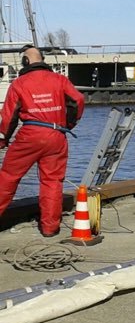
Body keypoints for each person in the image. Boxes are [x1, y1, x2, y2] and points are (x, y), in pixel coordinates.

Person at [0, 45, 85, 237]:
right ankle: (50, 228)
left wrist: (3, 140)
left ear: (25, 62)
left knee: (8, 177)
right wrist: (68, 125)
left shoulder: (19, 83)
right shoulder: (60, 79)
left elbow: (9, 116)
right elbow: (78, 100)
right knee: (52, 181)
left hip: (30, 135)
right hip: (56, 136)